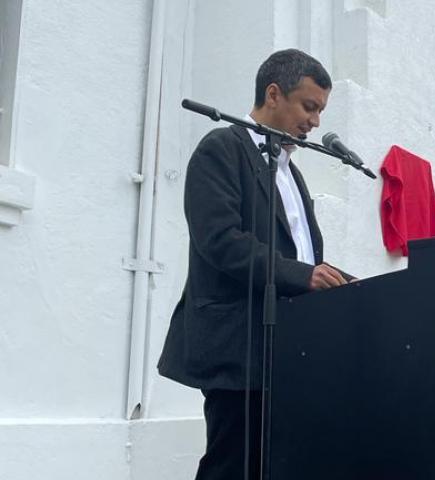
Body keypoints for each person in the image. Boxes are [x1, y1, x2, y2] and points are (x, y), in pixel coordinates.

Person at [157, 49, 352, 480]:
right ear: (273, 94)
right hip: (239, 346)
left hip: (288, 348)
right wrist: (304, 275)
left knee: (275, 465)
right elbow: (220, 241)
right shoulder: (222, 149)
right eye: (309, 106)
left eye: (320, 110)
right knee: (233, 465)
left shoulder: (290, 171)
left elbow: (300, 253)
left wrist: (331, 279)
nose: (315, 122)